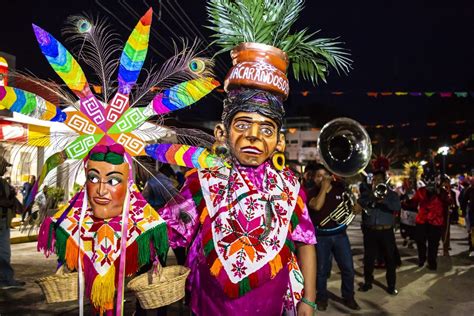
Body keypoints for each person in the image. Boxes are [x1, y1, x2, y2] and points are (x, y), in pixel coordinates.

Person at [307, 163, 360, 311]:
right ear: (314, 179)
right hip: (321, 237)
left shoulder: (340, 190)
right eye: (319, 176)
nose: (322, 178)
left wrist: (355, 208)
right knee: (322, 271)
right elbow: (317, 206)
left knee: (348, 268)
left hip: (340, 235)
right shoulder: (311, 192)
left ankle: (349, 297)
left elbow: (351, 207)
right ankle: (322, 298)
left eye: (325, 176)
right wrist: (324, 188)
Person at [358, 169, 401, 295]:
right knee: (369, 258)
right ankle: (367, 283)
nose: (377, 182)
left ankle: (391, 286)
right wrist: (371, 197)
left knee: (390, 259)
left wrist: (384, 201)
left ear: (385, 181)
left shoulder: (392, 195)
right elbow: (360, 204)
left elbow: (397, 207)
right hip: (370, 231)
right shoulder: (367, 194)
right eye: (375, 180)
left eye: (379, 180)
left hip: (386, 231)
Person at [406, 168, 451, 270]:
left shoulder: (442, 192)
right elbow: (414, 202)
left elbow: (449, 202)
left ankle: (432, 261)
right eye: (428, 179)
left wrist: (441, 193)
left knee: (433, 243)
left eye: (432, 179)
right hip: (422, 220)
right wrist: (406, 201)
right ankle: (422, 258)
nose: (430, 181)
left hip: (436, 222)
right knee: (420, 241)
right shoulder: (421, 191)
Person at [0, 157, 25, 289]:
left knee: (4, 252)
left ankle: (6, 278)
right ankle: (5, 280)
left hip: (4, 221)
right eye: (4, 166)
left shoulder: (3, 182)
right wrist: (10, 202)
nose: (5, 169)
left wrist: (18, 205)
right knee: (3, 252)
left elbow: (11, 199)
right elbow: (4, 201)